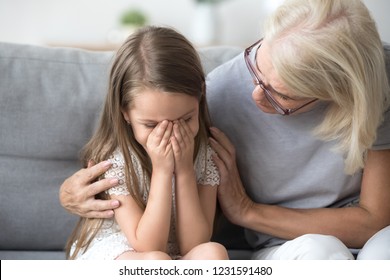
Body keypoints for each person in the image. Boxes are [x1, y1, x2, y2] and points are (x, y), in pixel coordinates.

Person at [60, 0, 390, 259]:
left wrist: (198, 179)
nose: (255, 94)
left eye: (282, 95)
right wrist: (68, 193)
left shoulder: (376, 81)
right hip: (288, 245)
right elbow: (148, 246)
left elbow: (374, 220)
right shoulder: (217, 94)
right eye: (258, 67)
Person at [64, 26, 228, 260]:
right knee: (155, 261)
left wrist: (183, 170)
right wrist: (162, 171)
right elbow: (148, 246)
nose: (170, 134)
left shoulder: (203, 153)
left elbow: (195, 243)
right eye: (151, 126)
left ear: (200, 96)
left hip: (171, 256)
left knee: (214, 252)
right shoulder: (115, 160)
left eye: (185, 120)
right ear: (125, 112)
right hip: (122, 251)